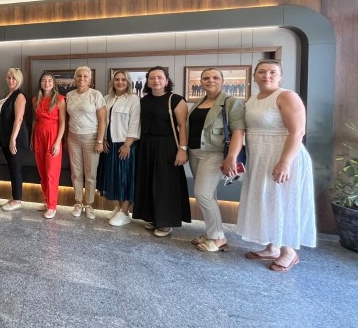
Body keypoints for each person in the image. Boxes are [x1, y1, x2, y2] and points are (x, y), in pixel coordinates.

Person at [236, 59, 316, 272]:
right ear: (254, 76)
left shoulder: (287, 96)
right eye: (262, 72)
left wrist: (285, 162)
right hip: (261, 157)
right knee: (268, 200)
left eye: (272, 72)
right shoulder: (252, 99)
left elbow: (297, 132)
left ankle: (289, 251)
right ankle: (272, 247)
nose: (267, 76)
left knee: (283, 201)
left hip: (283, 156)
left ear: (280, 75)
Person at [186, 68, 245, 252]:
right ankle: (212, 232)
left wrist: (231, 157)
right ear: (200, 82)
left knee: (202, 194)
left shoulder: (231, 102)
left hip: (214, 154)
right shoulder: (198, 102)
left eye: (215, 77)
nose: (210, 80)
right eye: (206, 78)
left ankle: (218, 237)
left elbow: (238, 132)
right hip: (195, 153)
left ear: (222, 80)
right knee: (209, 195)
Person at [132, 66, 190, 237]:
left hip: (167, 145)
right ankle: (152, 217)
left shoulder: (176, 100)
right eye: (152, 78)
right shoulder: (143, 100)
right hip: (145, 145)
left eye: (159, 77)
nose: (156, 80)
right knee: (148, 181)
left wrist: (182, 149)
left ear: (166, 81)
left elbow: (183, 127)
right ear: (147, 82)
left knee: (165, 183)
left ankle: (166, 221)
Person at [98, 71, 140, 227]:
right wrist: (103, 139)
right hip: (110, 144)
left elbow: (135, 123)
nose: (120, 82)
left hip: (125, 144)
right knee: (113, 177)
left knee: (125, 178)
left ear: (128, 82)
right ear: (112, 82)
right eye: (117, 79)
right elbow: (102, 121)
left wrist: (127, 145)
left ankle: (125, 212)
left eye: (123, 79)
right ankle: (118, 207)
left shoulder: (134, 99)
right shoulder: (106, 99)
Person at [65, 66, 107, 219]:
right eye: (79, 76)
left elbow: (103, 120)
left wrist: (100, 141)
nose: (81, 79)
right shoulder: (69, 95)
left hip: (91, 139)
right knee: (76, 173)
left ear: (90, 79)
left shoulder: (96, 95)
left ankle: (89, 204)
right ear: (74, 78)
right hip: (73, 138)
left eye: (85, 76)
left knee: (90, 174)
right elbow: (67, 118)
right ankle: (78, 203)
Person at [31, 71, 66, 220]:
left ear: (53, 83)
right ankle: (47, 201)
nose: (47, 83)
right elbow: (35, 120)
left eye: (50, 80)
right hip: (39, 136)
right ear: (40, 83)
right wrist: (32, 139)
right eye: (44, 80)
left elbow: (63, 122)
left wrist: (58, 142)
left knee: (52, 173)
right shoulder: (35, 100)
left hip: (53, 136)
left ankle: (52, 206)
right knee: (42, 172)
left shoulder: (60, 99)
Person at [0, 68, 30, 211]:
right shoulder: (8, 95)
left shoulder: (19, 96)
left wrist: (13, 139)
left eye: (14, 78)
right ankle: (14, 197)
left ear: (19, 80)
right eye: (9, 77)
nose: (11, 80)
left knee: (16, 169)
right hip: (7, 138)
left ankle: (17, 200)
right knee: (12, 168)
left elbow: (19, 119)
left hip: (16, 139)